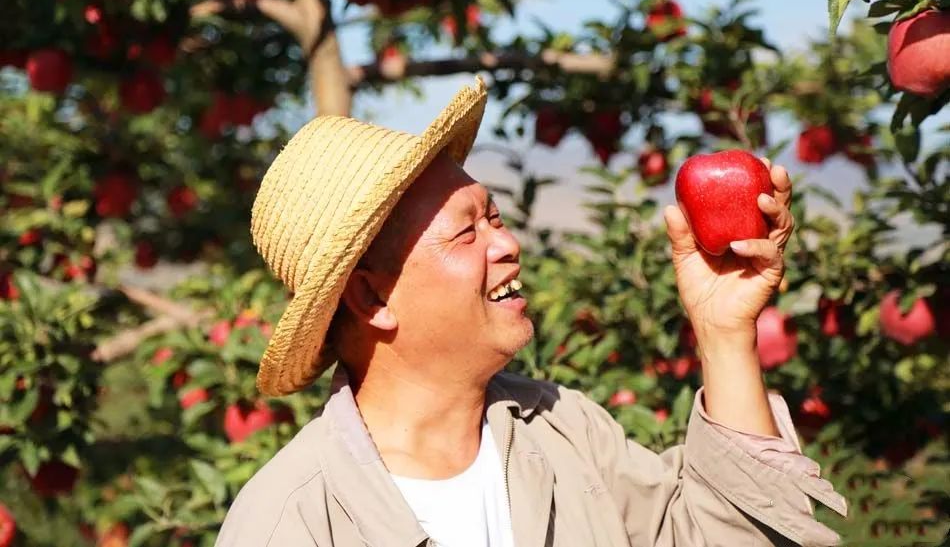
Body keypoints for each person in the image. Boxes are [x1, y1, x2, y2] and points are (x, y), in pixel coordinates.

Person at [216, 79, 847, 547]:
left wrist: (724, 330)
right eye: (467, 234)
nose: (508, 242)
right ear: (374, 299)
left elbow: (726, 536)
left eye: (493, 215)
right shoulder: (293, 522)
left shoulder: (566, 430)